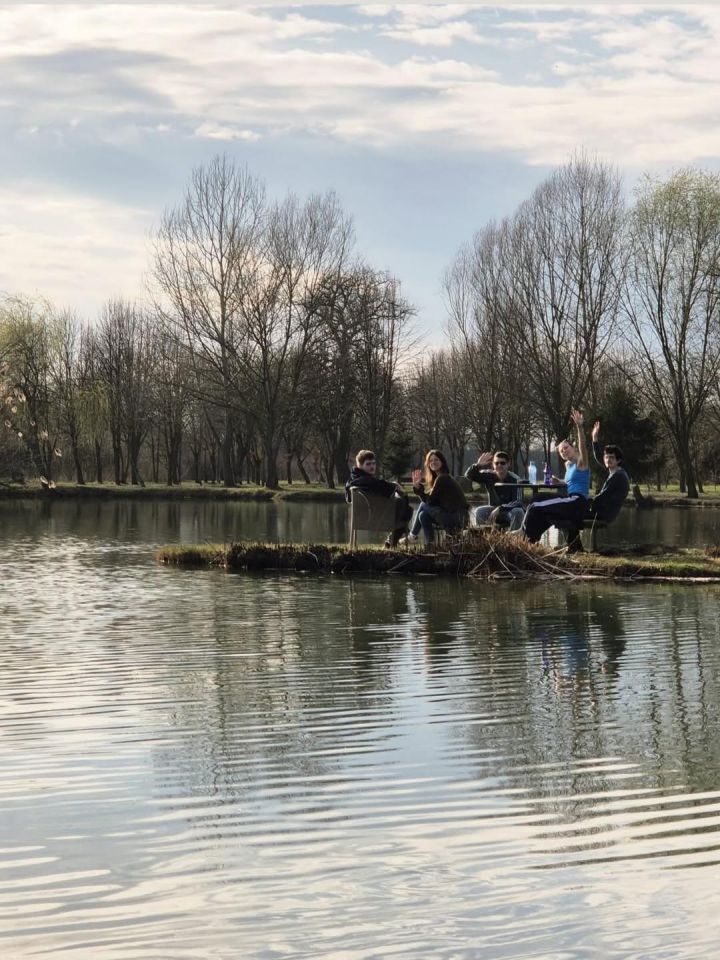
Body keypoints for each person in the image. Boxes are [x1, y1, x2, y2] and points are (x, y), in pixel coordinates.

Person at [521, 409, 590, 544]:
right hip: (570, 501)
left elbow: (583, 447)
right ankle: (531, 541)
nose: (563, 451)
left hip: (577, 503)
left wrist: (579, 427)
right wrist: (559, 481)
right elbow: (572, 484)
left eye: (566, 448)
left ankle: (523, 537)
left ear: (574, 448)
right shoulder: (568, 466)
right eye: (560, 451)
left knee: (535, 505)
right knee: (538, 501)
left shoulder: (582, 463)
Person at [562, 420, 630, 550]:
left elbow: (603, 497)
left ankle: (575, 546)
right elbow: (599, 456)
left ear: (618, 460)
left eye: (612, 458)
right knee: (572, 511)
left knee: (571, 513)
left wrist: (588, 502)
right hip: (602, 511)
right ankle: (575, 545)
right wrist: (594, 438)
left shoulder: (618, 476)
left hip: (605, 513)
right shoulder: (614, 471)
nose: (607, 460)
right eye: (607, 457)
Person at [345, 449, 411, 548]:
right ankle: (392, 541)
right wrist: (395, 486)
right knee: (406, 508)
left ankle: (391, 541)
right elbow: (387, 488)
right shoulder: (374, 484)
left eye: (373, 463)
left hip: (359, 521)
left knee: (404, 508)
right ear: (359, 465)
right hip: (381, 520)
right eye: (368, 464)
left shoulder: (351, 482)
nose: (372, 466)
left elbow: (348, 499)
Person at [400, 449, 468, 545]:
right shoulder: (440, 478)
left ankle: (412, 536)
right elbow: (433, 501)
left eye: (436, 460)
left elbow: (430, 501)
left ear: (442, 462)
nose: (433, 462)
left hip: (457, 518)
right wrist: (417, 486)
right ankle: (430, 545)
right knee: (422, 515)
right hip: (452, 516)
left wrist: (419, 489)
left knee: (423, 505)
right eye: (430, 461)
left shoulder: (443, 478)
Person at [464, 450, 524, 531]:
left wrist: (500, 508)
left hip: (509, 511)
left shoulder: (515, 480)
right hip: (493, 510)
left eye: (502, 463)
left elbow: (518, 502)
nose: (499, 465)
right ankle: (484, 538)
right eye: (496, 463)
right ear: (493, 464)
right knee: (479, 511)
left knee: (518, 511)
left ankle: (514, 539)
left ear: (508, 464)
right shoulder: (488, 476)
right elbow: (469, 475)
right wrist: (477, 465)